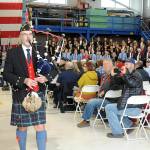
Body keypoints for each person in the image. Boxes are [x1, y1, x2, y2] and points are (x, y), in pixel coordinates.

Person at [3, 23, 53, 150]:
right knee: (22, 126)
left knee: (40, 126)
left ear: (33, 36)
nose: (27, 37)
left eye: (29, 34)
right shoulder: (12, 53)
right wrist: (24, 80)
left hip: (38, 93)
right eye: (24, 34)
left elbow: (54, 70)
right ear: (20, 36)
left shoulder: (40, 50)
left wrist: (46, 78)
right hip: (21, 94)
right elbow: (6, 74)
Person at [77, 59, 122, 128]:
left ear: (110, 65)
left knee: (91, 102)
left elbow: (116, 86)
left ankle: (86, 121)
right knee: (92, 103)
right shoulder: (106, 75)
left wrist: (105, 91)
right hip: (107, 98)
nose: (103, 67)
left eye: (105, 65)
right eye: (104, 65)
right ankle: (105, 117)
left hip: (111, 99)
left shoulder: (116, 74)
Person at [105, 58, 143, 138]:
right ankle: (129, 124)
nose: (125, 65)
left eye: (127, 63)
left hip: (134, 107)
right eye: (125, 63)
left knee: (109, 108)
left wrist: (125, 74)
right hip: (130, 106)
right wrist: (113, 76)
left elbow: (132, 83)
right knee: (116, 107)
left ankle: (117, 133)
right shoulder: (129, 74)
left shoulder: (136, 74)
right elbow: (118, 82)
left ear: (132, 65)